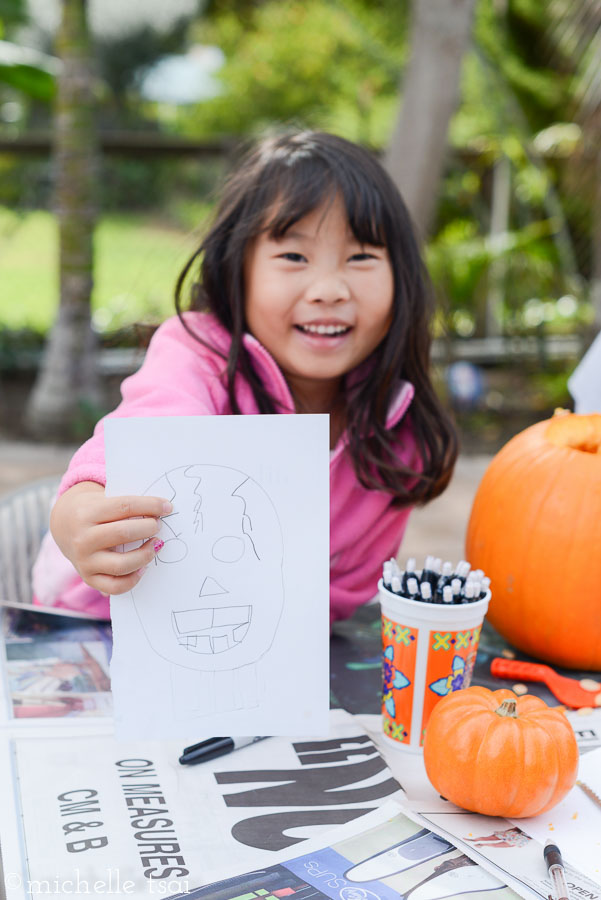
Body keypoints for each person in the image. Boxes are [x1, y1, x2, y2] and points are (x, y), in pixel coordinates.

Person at [34, 130, 458, 623]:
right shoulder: (197, 354)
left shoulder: (396, 434)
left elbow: (339, 600)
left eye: (361, 257)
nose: (328, 289)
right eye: (293, 257)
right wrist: (79, 510)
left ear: (400, 277)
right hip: (89, 622)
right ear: (239, 270)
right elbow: (149, 430)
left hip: (253, 649)